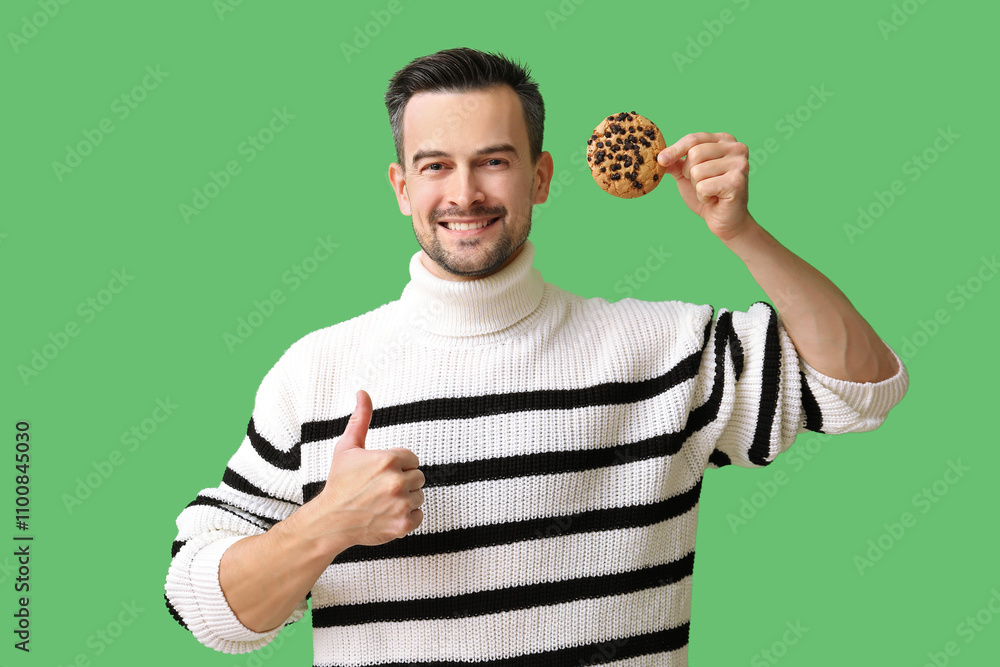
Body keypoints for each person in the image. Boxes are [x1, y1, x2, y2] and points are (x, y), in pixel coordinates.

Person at [164, 47, 908, 665]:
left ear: (541, 177)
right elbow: (204, 606)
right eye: (434, 166)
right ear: (400, 186)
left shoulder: (663, 350)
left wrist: (743, 233)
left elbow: (859, 389)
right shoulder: (316, 371)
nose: (465, 193)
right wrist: (325, 524)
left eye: (494, 161)